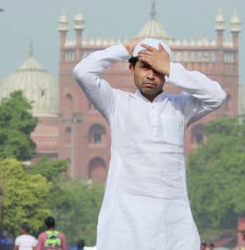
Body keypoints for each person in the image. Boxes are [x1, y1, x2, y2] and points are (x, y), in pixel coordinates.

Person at [73, 38, 227, 249]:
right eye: (145, 66)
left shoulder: (180, 107)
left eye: (158, 69)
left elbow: (217, 96)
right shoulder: (117, 103)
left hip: (173, 223)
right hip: (125, 222)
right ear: (131, 67)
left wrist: (171, 68)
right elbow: (83, 72)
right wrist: (124, 49)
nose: (151, 75)